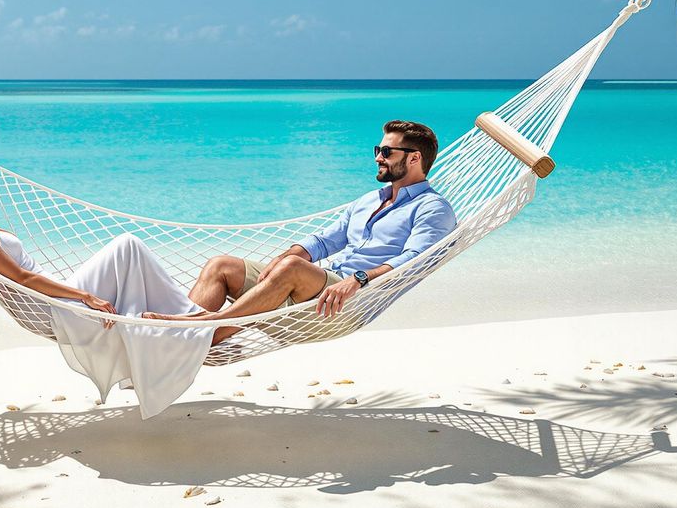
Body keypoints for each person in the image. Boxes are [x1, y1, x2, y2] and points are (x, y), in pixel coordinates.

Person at [0, 148, 213, 418]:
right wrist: (86, 296)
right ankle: (191, 321)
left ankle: (174, 326)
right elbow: (22, 278)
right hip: (49, 307)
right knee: (128, 246)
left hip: (47, 299)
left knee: (129, 255)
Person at [144, 120, 458, 343]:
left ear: (414, 158)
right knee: (222, 265)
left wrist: (358, 279)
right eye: (378, 148)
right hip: (311, 290)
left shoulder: (432, 208)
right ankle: (183, 338)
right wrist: (285, 257)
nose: (378, 157)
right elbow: (323, 241)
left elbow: (417, 259)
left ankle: (204, 330)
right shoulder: (367, 201)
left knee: (294, 268)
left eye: (387, 152)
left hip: (348, 304)